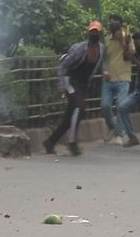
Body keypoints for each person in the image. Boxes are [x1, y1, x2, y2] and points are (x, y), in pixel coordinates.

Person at [44, 21, 106, 157]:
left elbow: (101, 65)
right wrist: (61, 84)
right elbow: (63, 65)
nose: (94, 35)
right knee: (79, 107)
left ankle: (50, 142)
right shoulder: (80, 49)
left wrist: (105, 73)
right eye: (92, 32)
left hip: (83, 84)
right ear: (88, 33)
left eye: (96, 32)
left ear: (100, 34)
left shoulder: (101, 49)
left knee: (69, 118)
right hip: (70, 81)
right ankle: (72, 143)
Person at [101, 14, 134, 144]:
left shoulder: (128, 38)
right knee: (105, 105)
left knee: (121, 106)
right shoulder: (106, 39)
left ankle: (119, 133)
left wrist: (122, 42)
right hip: (109, 78)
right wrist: (104, 71)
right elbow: (104, 58)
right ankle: (112, 127)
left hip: (123, 77)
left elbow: (130, 56)